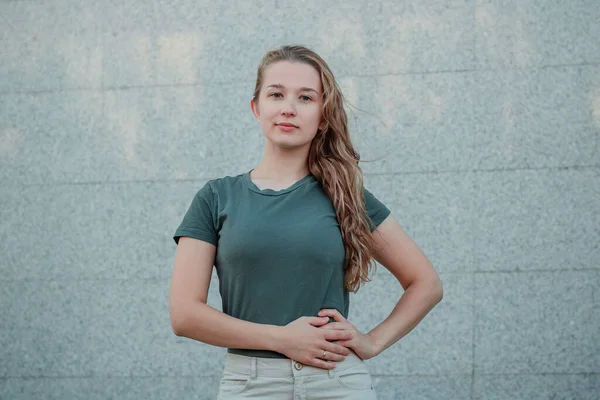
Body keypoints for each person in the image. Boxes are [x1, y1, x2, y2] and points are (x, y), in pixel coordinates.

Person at [169, 45, 443, 399]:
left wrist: (373, 342)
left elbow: (426, 284)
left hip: (336, 382)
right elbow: (184, 315)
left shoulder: (346, 196)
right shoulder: (216, 198)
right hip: (251, 386)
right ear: (256, 108)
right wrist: (282, 338)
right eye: (276, 94)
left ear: (323, 117)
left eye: (306, 98)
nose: (288, 108)